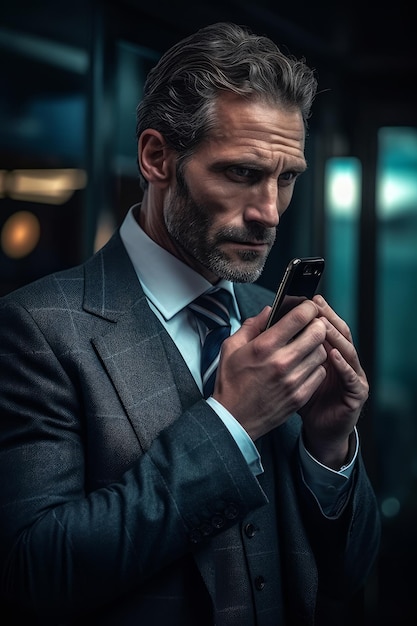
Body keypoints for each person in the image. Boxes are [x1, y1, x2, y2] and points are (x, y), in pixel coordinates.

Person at [0, 21, 380, 626]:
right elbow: (34, 572)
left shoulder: (270, 316)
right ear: (156, 158)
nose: (269, 214)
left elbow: (348, 575)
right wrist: (231, 423)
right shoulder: (36, 330)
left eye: (287, 179)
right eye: (240, 173)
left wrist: (329, 448)